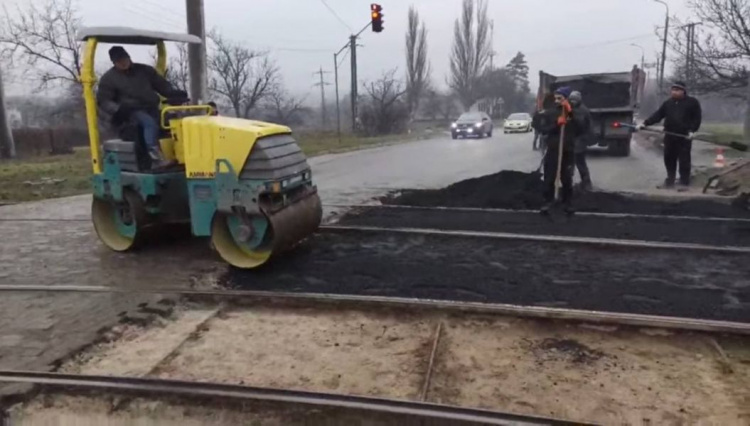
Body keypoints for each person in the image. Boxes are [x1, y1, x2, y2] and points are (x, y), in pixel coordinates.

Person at [97, 46, 187, 169]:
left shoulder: (145, 71)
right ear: (114, 63)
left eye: (124, 59)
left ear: (129, 57)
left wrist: (175, 94)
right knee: (149, 124)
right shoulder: (108, 79)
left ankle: (181, 155)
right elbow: (104, 100)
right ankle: (155, 158)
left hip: (151, 107)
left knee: (174, 121)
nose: (123, 63)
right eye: (119, 61)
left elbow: (162, 86)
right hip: (129, 113)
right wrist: (118, 109)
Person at [639, 81, 702, 188]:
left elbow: (697, 118)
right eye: (673, 90)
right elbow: (658, 115)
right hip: (670, 134)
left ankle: (684, 181)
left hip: (684, 136)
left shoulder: (692, 102)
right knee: (669, 158)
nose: (674, 92)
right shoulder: (668, 103)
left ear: (683, 91)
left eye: (677, 90)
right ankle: (670, 180)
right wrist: (645, 123)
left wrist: (692, 130)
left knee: (684, 159)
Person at [540, 86, 587, 215]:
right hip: (553, 150)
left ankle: (567, 203)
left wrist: (570, 113)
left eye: (559, 98)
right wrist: (556, 124)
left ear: (566, 99)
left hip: (567, 150)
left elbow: (581, 129)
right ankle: (548, 202)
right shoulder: (550, 112)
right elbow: (543, 129)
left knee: (566, 178)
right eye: (555, 98)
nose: (556, 101)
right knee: (549, 177)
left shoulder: (574, 113)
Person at [569, 91, 593, 191]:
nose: (573, 101)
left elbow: (583, 125)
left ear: (579, 100)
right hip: (572, 139)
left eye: (575, 100)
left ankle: (586, 183)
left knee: (579, 162)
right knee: (569, 163)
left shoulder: (582, 110)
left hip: (580, 139)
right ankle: (568, 183)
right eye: (571, 99)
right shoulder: (569, 109)